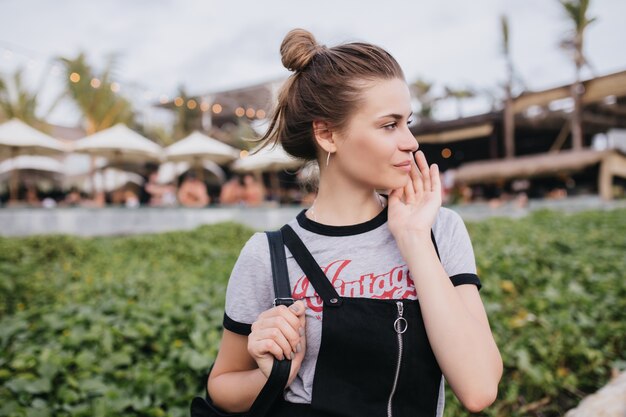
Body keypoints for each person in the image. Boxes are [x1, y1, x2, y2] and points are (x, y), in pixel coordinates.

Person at [207, 29, 502, 416]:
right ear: (327, 134)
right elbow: (221, 387)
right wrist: (274, 374)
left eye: (407, 122)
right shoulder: (269, 255)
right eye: (389, 125)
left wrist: (413, 238)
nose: (411, 142)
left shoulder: (439, 231)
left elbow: (479, 389)